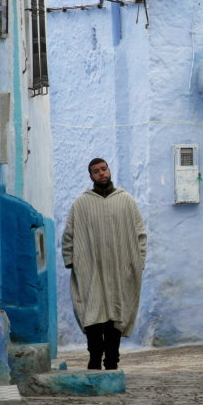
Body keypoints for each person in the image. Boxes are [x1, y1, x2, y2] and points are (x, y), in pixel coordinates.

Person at [62, 158, 147, 370]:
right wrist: (72, 261)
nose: (101, 174)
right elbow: (69, 235)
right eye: (96, 171)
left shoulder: (126, 201)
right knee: (93, 315)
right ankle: (94, 358)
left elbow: (140, 234)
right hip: (90, 269)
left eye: (104, 169)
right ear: (90, 176)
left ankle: (111, 361)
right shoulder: (81, 203)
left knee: (115, 315)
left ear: (109, 170)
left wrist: (138, 261)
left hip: (120, 269)